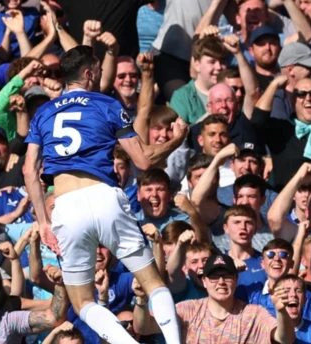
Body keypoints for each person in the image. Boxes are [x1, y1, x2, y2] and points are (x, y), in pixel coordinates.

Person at [23, 45, 188, 344]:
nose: (101, 76)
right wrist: (177, 139)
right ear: (88, 73)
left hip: (65, 205)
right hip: (104, 196)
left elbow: (28, 171)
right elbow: (143, 161)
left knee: (82, 302)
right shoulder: (106, 104)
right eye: (99, 70)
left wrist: (44, 221)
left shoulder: (44, 112)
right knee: (153, 283)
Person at [134, 253, 296, 343]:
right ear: (204, 281)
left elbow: (285, 339)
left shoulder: (254, 314)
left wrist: (281, 312)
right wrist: (141, 300)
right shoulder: (187, 310)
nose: (220, 282)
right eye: (214, 277)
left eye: (226, 276)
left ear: (236, 279)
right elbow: (144, 328)